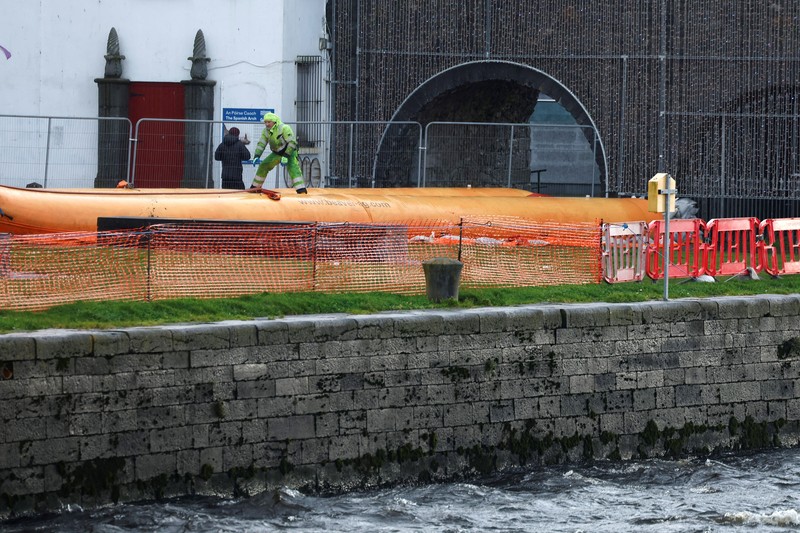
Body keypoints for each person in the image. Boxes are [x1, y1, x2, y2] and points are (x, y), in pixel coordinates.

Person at [251, 112, 307, 194]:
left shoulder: (284, 128)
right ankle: (255, 188)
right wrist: (257, 155)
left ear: (274, 121)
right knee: (264, 165)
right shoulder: (265, 131)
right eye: (265, 122)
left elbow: (292, 143)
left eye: (269, 122)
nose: (266, 124)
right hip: (277, 152)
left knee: (293, 168)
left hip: (289, 152)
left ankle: (301, 190)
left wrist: (286, 155)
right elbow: (261, 144)